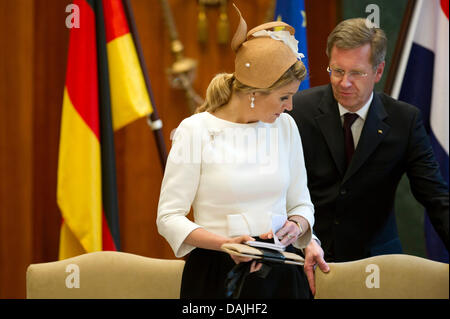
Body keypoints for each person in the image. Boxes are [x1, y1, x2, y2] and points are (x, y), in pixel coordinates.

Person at [157, 6, 327, 299]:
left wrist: (297, 225)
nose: (290, 107)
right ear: (253, 93)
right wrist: (226, 243)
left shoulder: (285, 127)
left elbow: (302, 204)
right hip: (217, 273)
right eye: (283, 97)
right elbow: (169, 217)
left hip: (281, 271)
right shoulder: (195, 130)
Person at [290, 18, 449, 266]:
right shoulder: (298, 110)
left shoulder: (404, 121)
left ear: (378, 71)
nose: (344, 83)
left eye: (357, 73)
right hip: (308, 256)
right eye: (338, 71)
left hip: (377, 261)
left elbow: (436, 198)